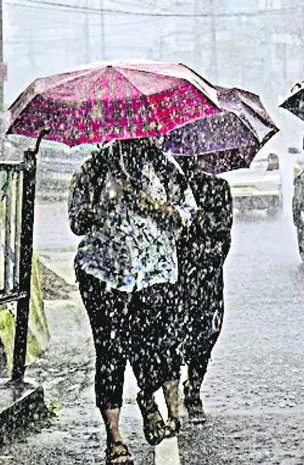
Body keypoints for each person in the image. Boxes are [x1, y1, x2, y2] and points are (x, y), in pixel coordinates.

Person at [69, 139, 196, 465]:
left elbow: (188, 213)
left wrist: (155, 207)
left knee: (153, 345)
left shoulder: (166, 166)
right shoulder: (94, 168)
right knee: (110, 351)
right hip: (102, 273)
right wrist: (103, 209)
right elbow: (76, 221)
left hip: (155, 273)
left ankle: (149, 398)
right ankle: (114, 438)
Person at [173, 156, 233, 424]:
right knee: (170, 334)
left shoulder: (218, 188)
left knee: (206, 333)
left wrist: (192, 218)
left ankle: (194, 387)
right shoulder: (167, 185)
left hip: (207, 274)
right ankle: (171, 394)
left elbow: (223, 231)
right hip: (172, 273)